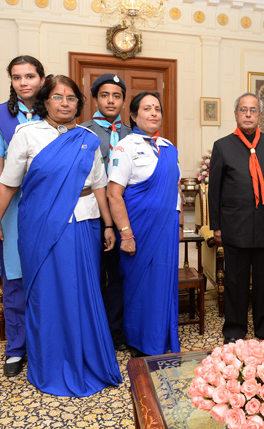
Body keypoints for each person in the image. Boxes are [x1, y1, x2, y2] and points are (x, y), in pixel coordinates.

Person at [0, 75, 122, 397]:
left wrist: (109, 225)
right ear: (45, 101)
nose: (65, 103)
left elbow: (99, 185)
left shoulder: (87, 138)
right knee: (48, 294)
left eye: (71, 98)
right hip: (41, 227)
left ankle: (87, 358)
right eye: (58, 97)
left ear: (78, 104)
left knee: (84, 292)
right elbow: (7, 184)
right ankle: (52, 362)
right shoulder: (26, 134)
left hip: (84, 226)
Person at [107, 91, 182, 358]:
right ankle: (139, 341)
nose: (153, 113)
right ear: (134, 115)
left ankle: (161, 337)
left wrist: (179, 223)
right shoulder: (125, 147)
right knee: (139, 286)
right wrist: (126, 234)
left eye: (157, 109)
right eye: (147, 109)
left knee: (163, 283)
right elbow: (114, 193)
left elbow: (174, 189)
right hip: (138, 230)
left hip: (166, 229)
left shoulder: (168, 147)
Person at [208, 92, 264, 346]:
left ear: (260, 115)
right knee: (235, 281)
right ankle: (234, 328)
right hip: (234, 226)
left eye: (253, 110)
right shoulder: (223, 146)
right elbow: (215, 191)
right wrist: (217, 226)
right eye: (244, 109)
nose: (248, 114)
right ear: (236, 114)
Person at [0, 55, 45, 377]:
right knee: (15, 278)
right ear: (11, 81)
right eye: (17, 77)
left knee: (48, 276)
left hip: (49, 206)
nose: (24, 83)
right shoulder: (1, 115)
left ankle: (44, 341)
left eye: (30, 76)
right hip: (13, 207)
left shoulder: (55, 109)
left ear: (41, 78)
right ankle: (16, 347)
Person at [81, 73, 132, 351]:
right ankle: (95, 332)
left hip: (124, 214)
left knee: (120, 274)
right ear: (95, 99)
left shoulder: (131, 134)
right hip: (94, 215)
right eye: (104, 95)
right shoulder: (83, 132)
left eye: (116, 95)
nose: (111, 100)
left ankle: (117, 331)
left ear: (124, 101)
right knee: (94, 273)